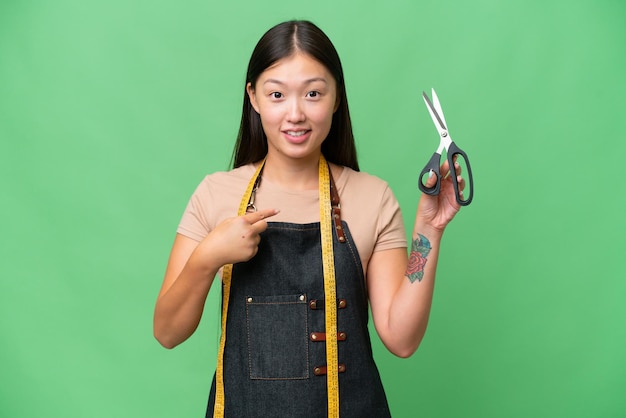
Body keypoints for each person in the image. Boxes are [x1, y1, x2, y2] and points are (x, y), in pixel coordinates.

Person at [154, 20, 466, 418]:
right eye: (277, 94)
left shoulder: (373, 197)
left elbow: (402, 339)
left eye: (313, 93)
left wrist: (430, 230)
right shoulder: (217, 194)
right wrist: (207, 256)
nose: (295, 113)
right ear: (253, 97)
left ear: (336, 98)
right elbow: (167, 332)